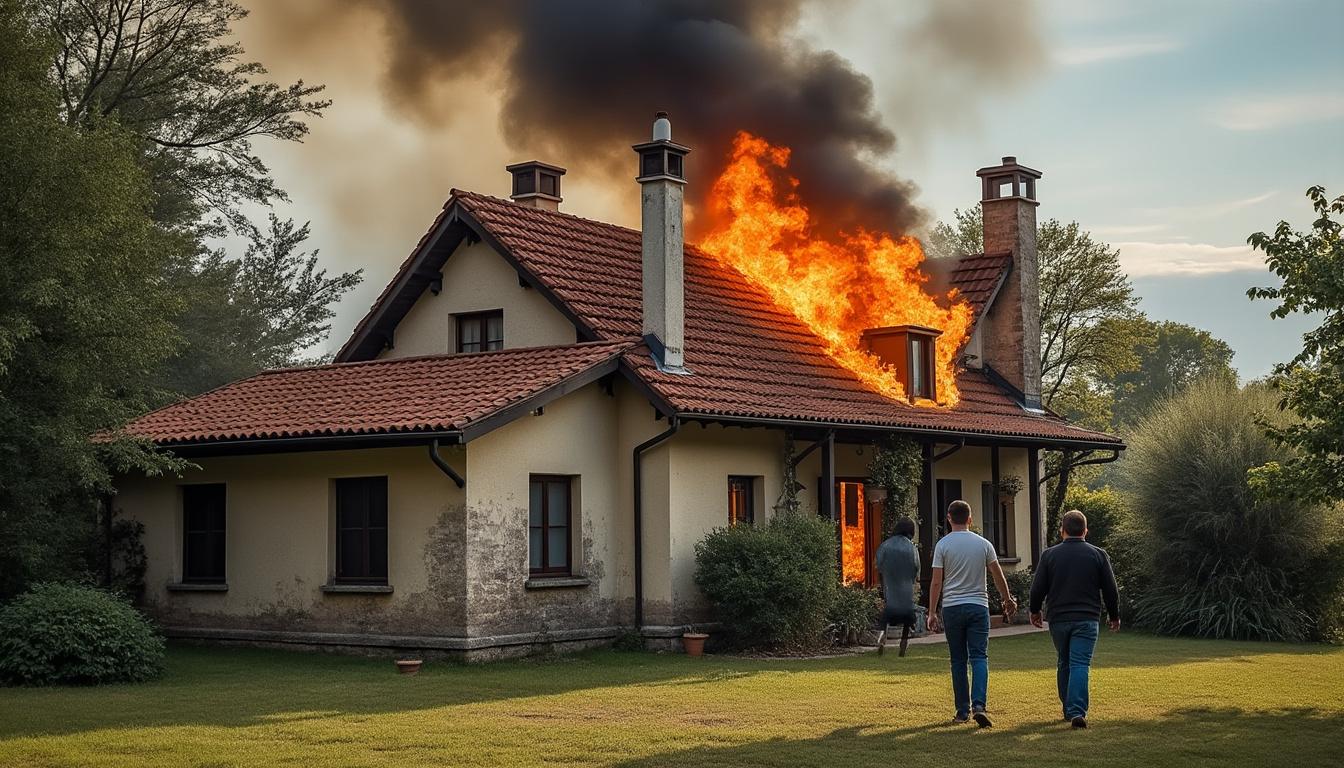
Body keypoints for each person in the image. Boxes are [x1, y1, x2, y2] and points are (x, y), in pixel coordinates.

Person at [926, 499, 1018, 727]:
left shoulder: (943, 545)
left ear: (948, 518)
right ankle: (979, 705)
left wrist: (931, 611)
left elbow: (937, 581)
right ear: (970, 519)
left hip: (953, 607)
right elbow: (998, 575)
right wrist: (1007, 599)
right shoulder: (984, 544)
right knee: (979, 657)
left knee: (958, 660)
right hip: (978, 606)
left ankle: (961, 711)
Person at [1029, 509, 1120, 730]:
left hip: (1059, 618)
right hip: (1087, 618)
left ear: (1062, 531)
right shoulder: (1098, 554)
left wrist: (1034, 611)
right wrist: (1114, 615)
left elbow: (1038, 587)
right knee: (1080, 663)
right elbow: (1110, 589)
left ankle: (1068, 709)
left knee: (1064, 661)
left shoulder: (1049, 555)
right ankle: (1076, 711)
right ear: (1085, 531)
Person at [874, 517, 920, 657]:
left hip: (891, 588)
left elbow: (878, 565)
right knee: (908, 616)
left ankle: (882, 635)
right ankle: (904, 643)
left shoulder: (886, 545)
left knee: (886, 616)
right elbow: (916, 569)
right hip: (906, 590)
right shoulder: (912, 548)